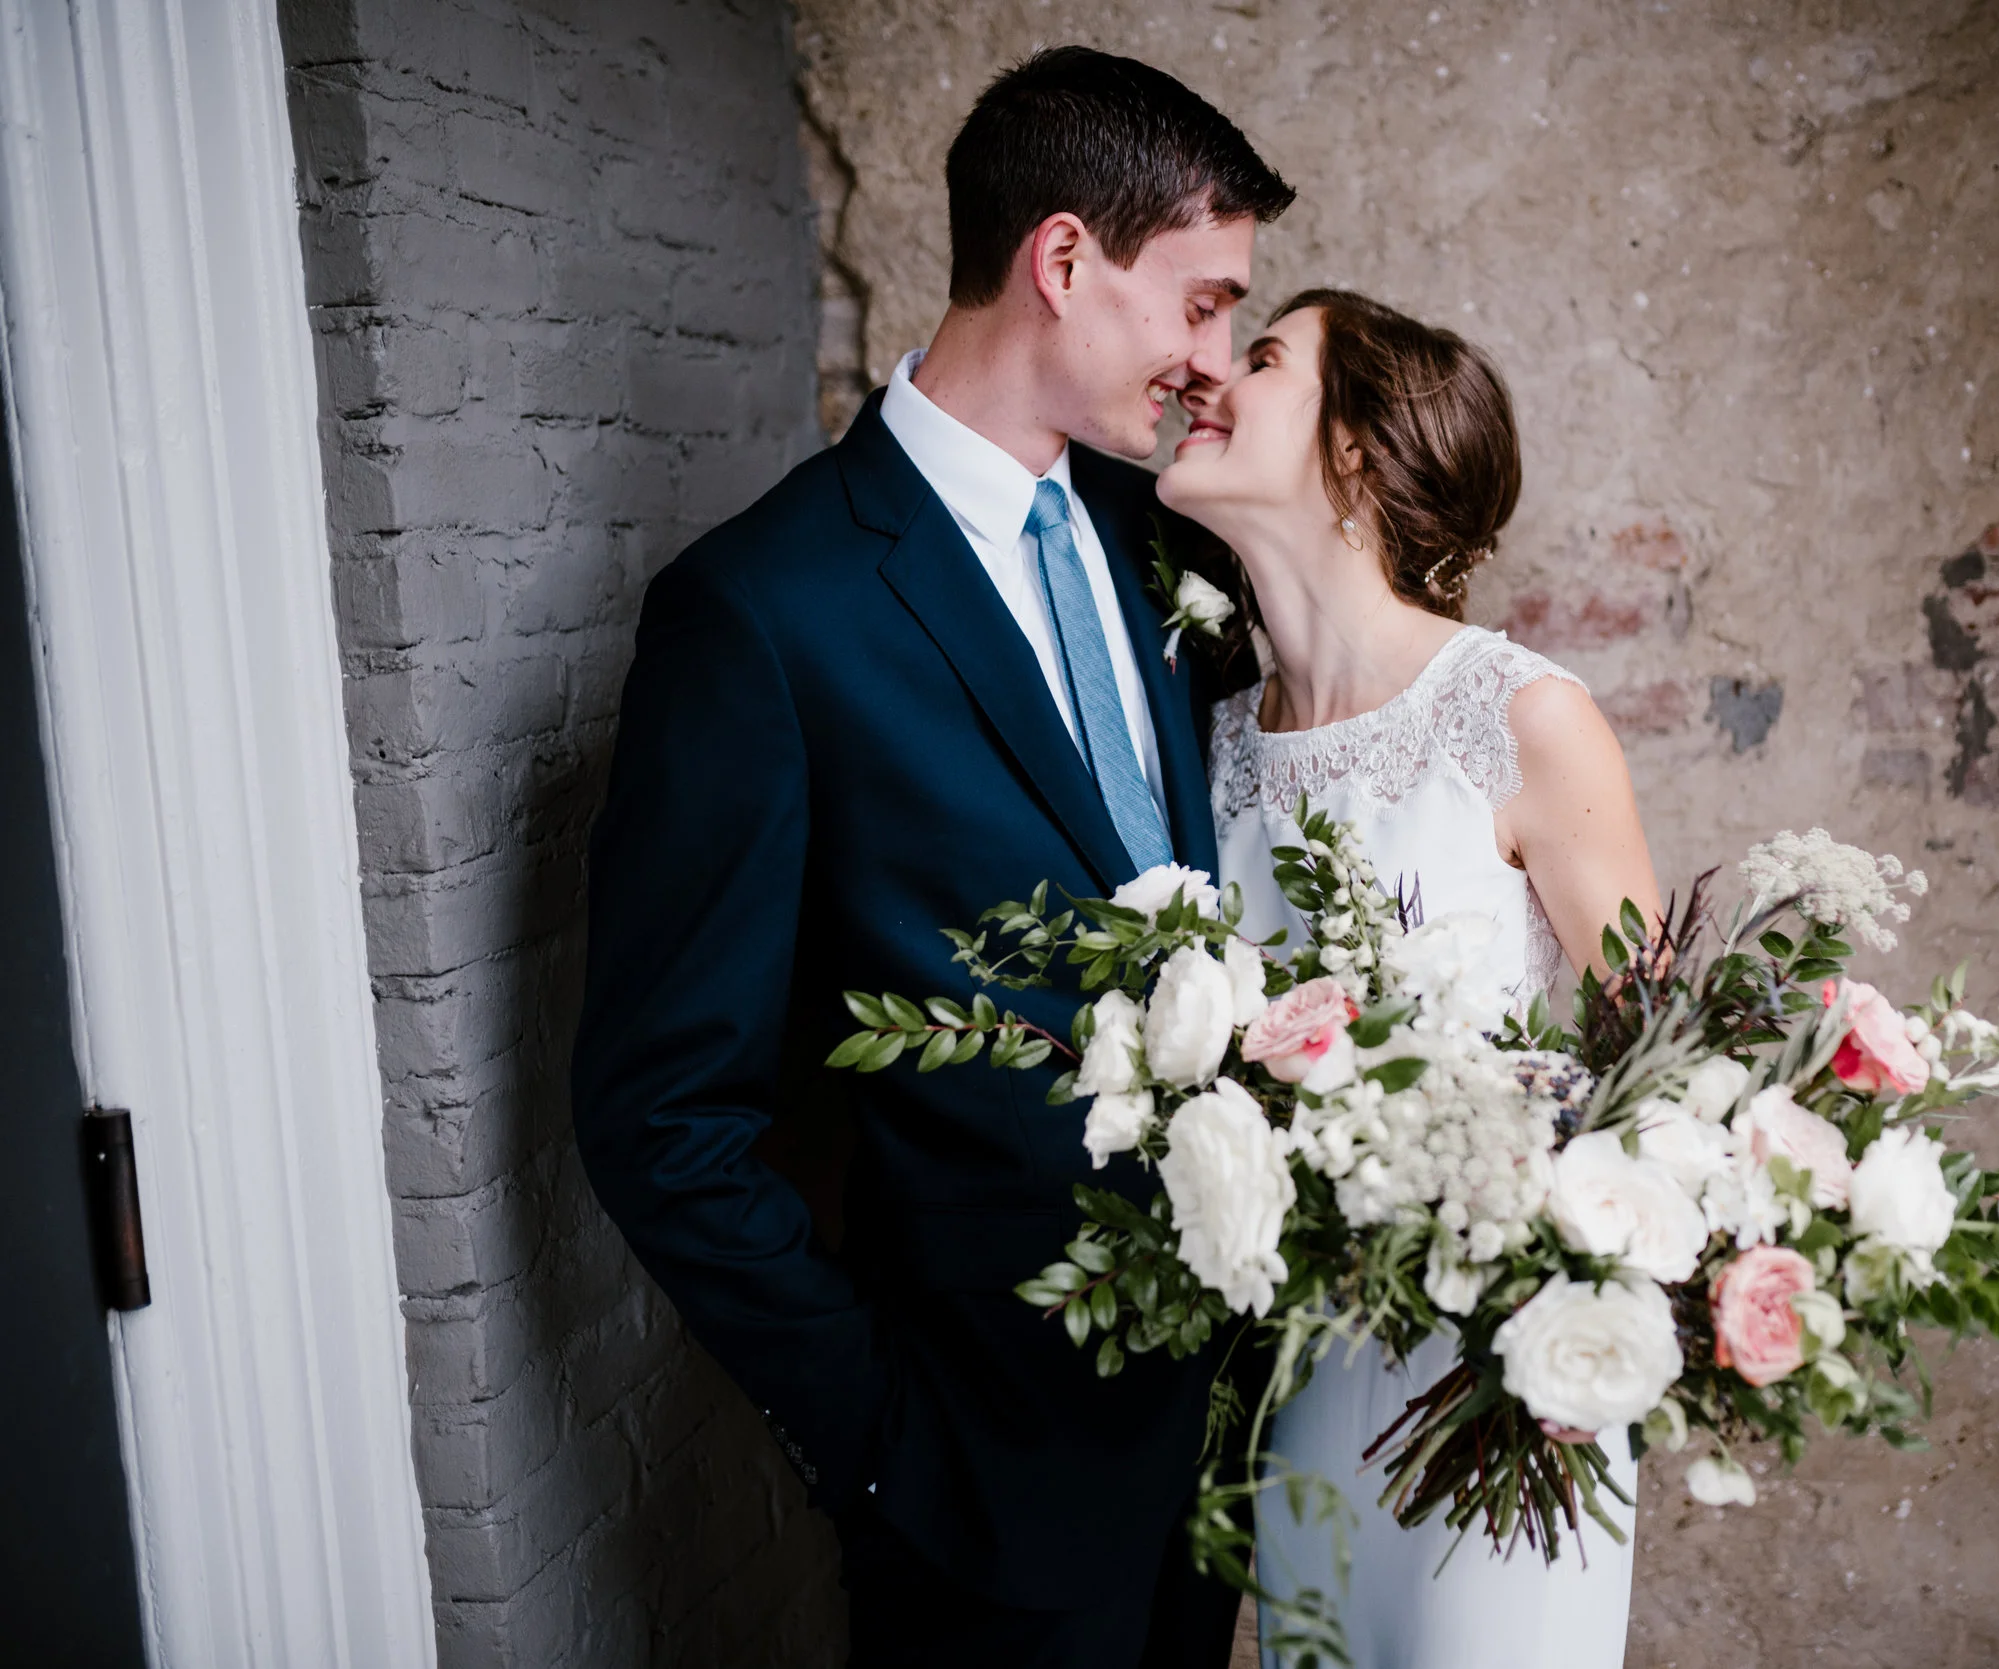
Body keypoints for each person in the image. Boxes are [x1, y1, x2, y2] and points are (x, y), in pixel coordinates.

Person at [570, 48, 1294, 1669]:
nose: (1216, 363)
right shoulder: (763, 613)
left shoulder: (1160, 537)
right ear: (1060, 261)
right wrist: (879, 1438)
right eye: (1200, 303)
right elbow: (660, 1110)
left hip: (1209, 1437)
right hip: (973, 1478)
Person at [1157, 290, 1663, 1669]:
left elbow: (1669, 1065)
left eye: (1261, 360)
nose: (1206, 375)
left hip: (1494, 1387)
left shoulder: (1521, 721)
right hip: (1299, 1380)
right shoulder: (1196, 752)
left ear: (1356, 455)